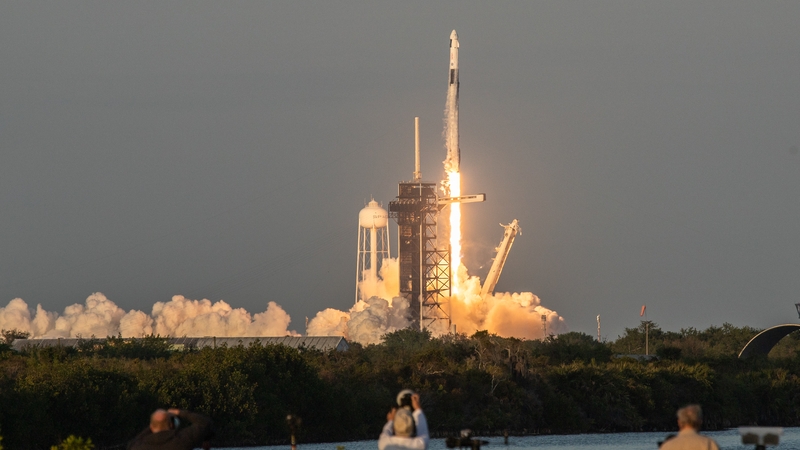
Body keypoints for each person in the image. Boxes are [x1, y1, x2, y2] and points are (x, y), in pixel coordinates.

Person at [127, 408, 213, 450]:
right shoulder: (182, 441)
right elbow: (204, 423)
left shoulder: (138, 446)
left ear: (151, 426)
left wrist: (153, 424)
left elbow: (133, 442)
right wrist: (179, 412)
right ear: (171, 425)